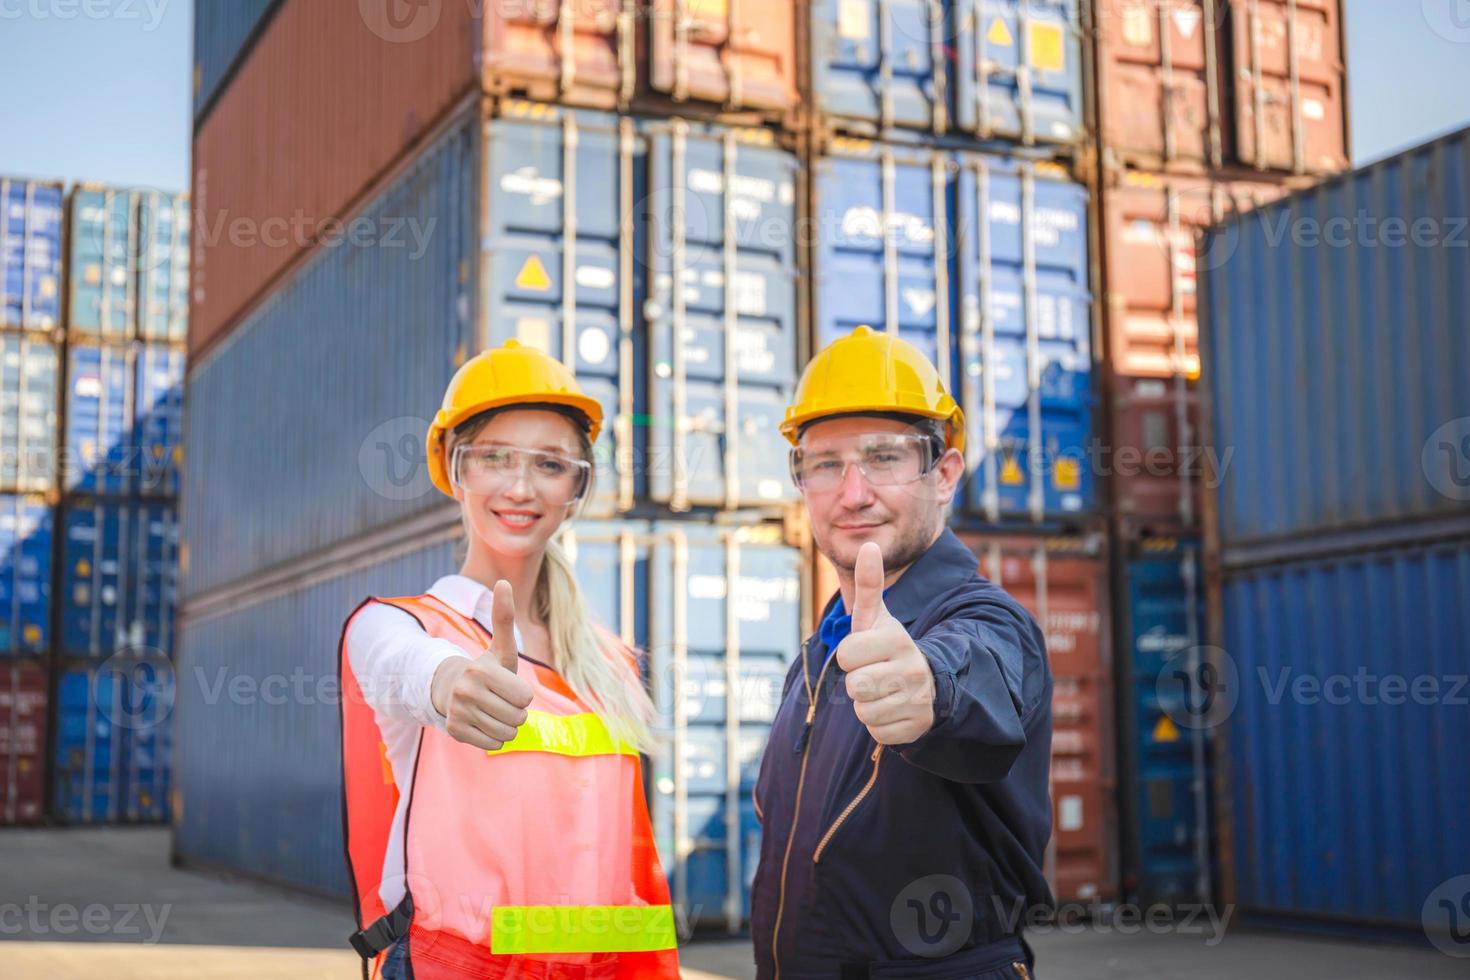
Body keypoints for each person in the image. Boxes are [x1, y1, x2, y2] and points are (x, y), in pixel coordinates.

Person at [337, 339, 680, 980]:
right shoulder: (398, 625)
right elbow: (405, 666)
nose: (521, 487)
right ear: (453, 468)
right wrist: (449, 682)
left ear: (577, 485)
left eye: (550, 464)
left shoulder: (612, 665)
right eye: (495, 457)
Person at [750, 326, 1054, 979]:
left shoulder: (987, 623)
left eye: (884, 457)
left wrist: (930, 691)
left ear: (944, 476)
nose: (852, 492)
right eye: (825, 463)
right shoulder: (819, 657)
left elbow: (975, 676)